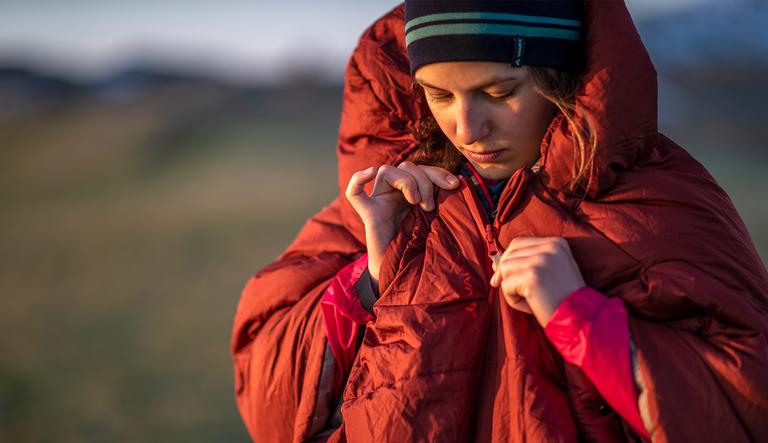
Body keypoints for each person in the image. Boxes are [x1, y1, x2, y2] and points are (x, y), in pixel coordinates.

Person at [231, 1, 768, 441]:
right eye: (440, 95)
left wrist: (577, 316)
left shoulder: (656, 200)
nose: (467, 127)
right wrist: (371, 277)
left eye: (498, 93)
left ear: (561, 78)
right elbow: (270, 405)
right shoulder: (380, 200)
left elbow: (744, 403)